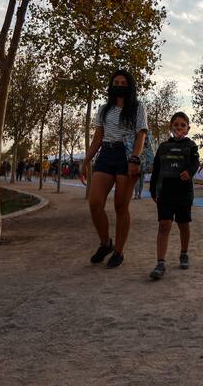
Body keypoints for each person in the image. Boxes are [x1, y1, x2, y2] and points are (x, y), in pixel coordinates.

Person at [80, 69, 148, 269]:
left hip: (126, 155)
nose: (119, 85)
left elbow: (141, 135)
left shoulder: (138, 107)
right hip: (106, 154)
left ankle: (118, 251)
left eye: (123, 83)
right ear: (111, 85)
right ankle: (105, 244)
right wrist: (86, 160)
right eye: (116, 82)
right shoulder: (104, 109)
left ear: (130, 86)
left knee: (120, 206)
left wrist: (135, 158)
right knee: (95, 203)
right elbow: (98, 137)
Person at [149, 112, 200, 279]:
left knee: (183, 224)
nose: (179, 127)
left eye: (182, 125)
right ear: (170, 127)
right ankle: (160, 263)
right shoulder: (163, 147)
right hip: (165, 192)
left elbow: (195, 163)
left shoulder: (191, 146)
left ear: (188, 129)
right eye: (176, 124)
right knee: (164, 224)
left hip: (184, 193)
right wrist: (152, 189)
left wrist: (189, 172)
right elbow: (156, 169)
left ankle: (184, 253)